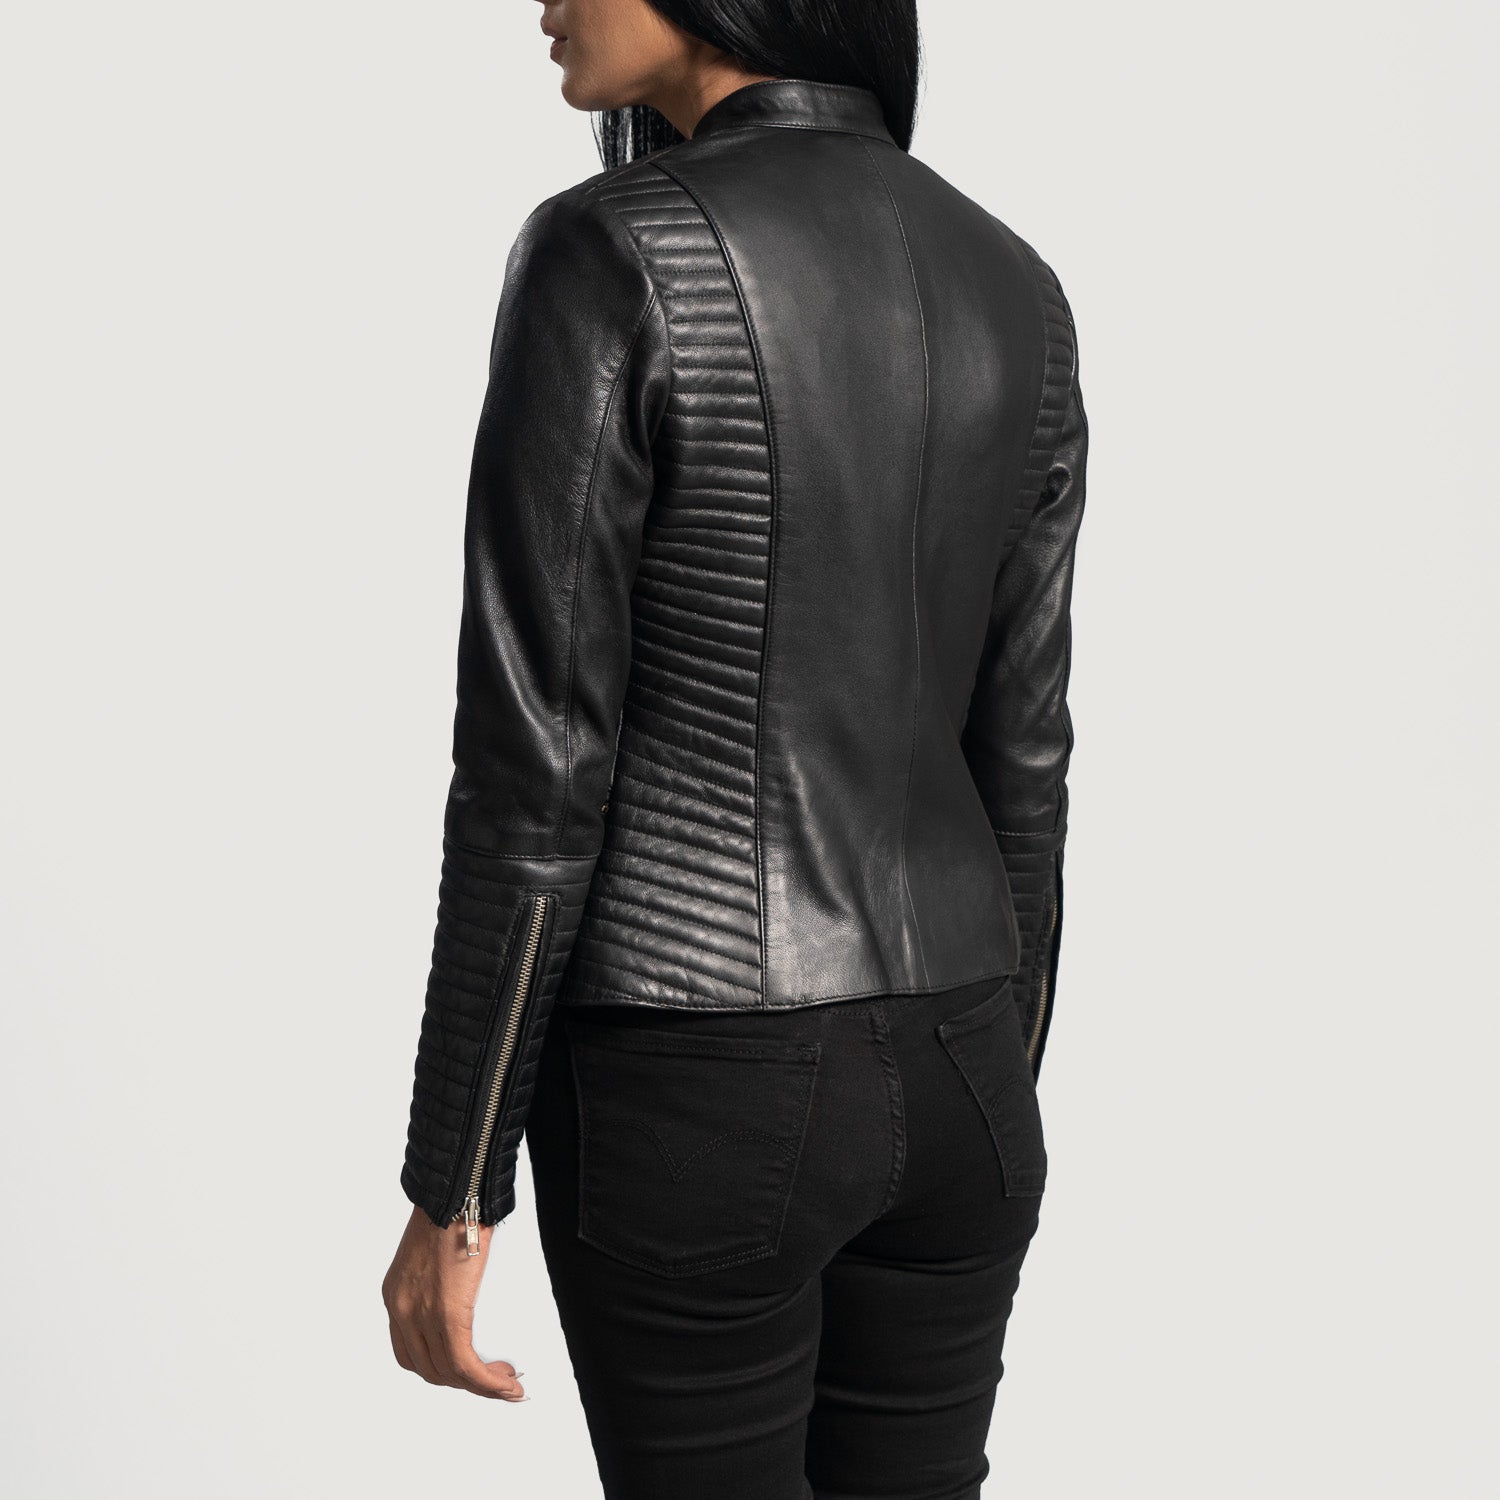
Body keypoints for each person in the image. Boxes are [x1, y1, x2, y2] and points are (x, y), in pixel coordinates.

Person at [382, 1, 1089, 1494]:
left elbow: (537, 767)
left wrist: (454, 1182)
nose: (545, 1)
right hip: (967, 1070)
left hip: (700, 1076)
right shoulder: (1018, 286)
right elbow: (1026, 757)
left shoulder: (614, 250)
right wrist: (999, 1077)